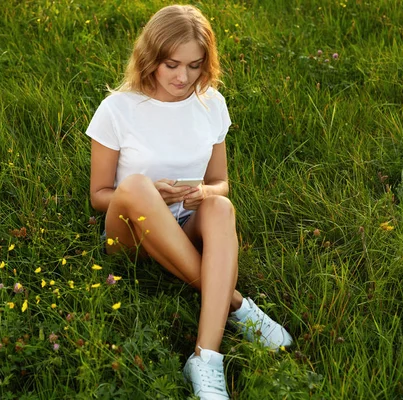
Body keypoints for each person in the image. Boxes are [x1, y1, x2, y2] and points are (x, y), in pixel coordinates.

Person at [85, 5, 292, 399]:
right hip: (130, 234)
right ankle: (234, 303)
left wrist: (204, 194)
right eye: (171, 64)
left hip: (186, 223)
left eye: (195, 65)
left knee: (221, 208)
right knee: (137, 187)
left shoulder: (211, 103)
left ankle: (206, 358)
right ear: (151, 58)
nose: (183, 77)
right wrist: (153, 195)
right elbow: (99, 196)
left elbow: (221, 183)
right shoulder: (118, 108)